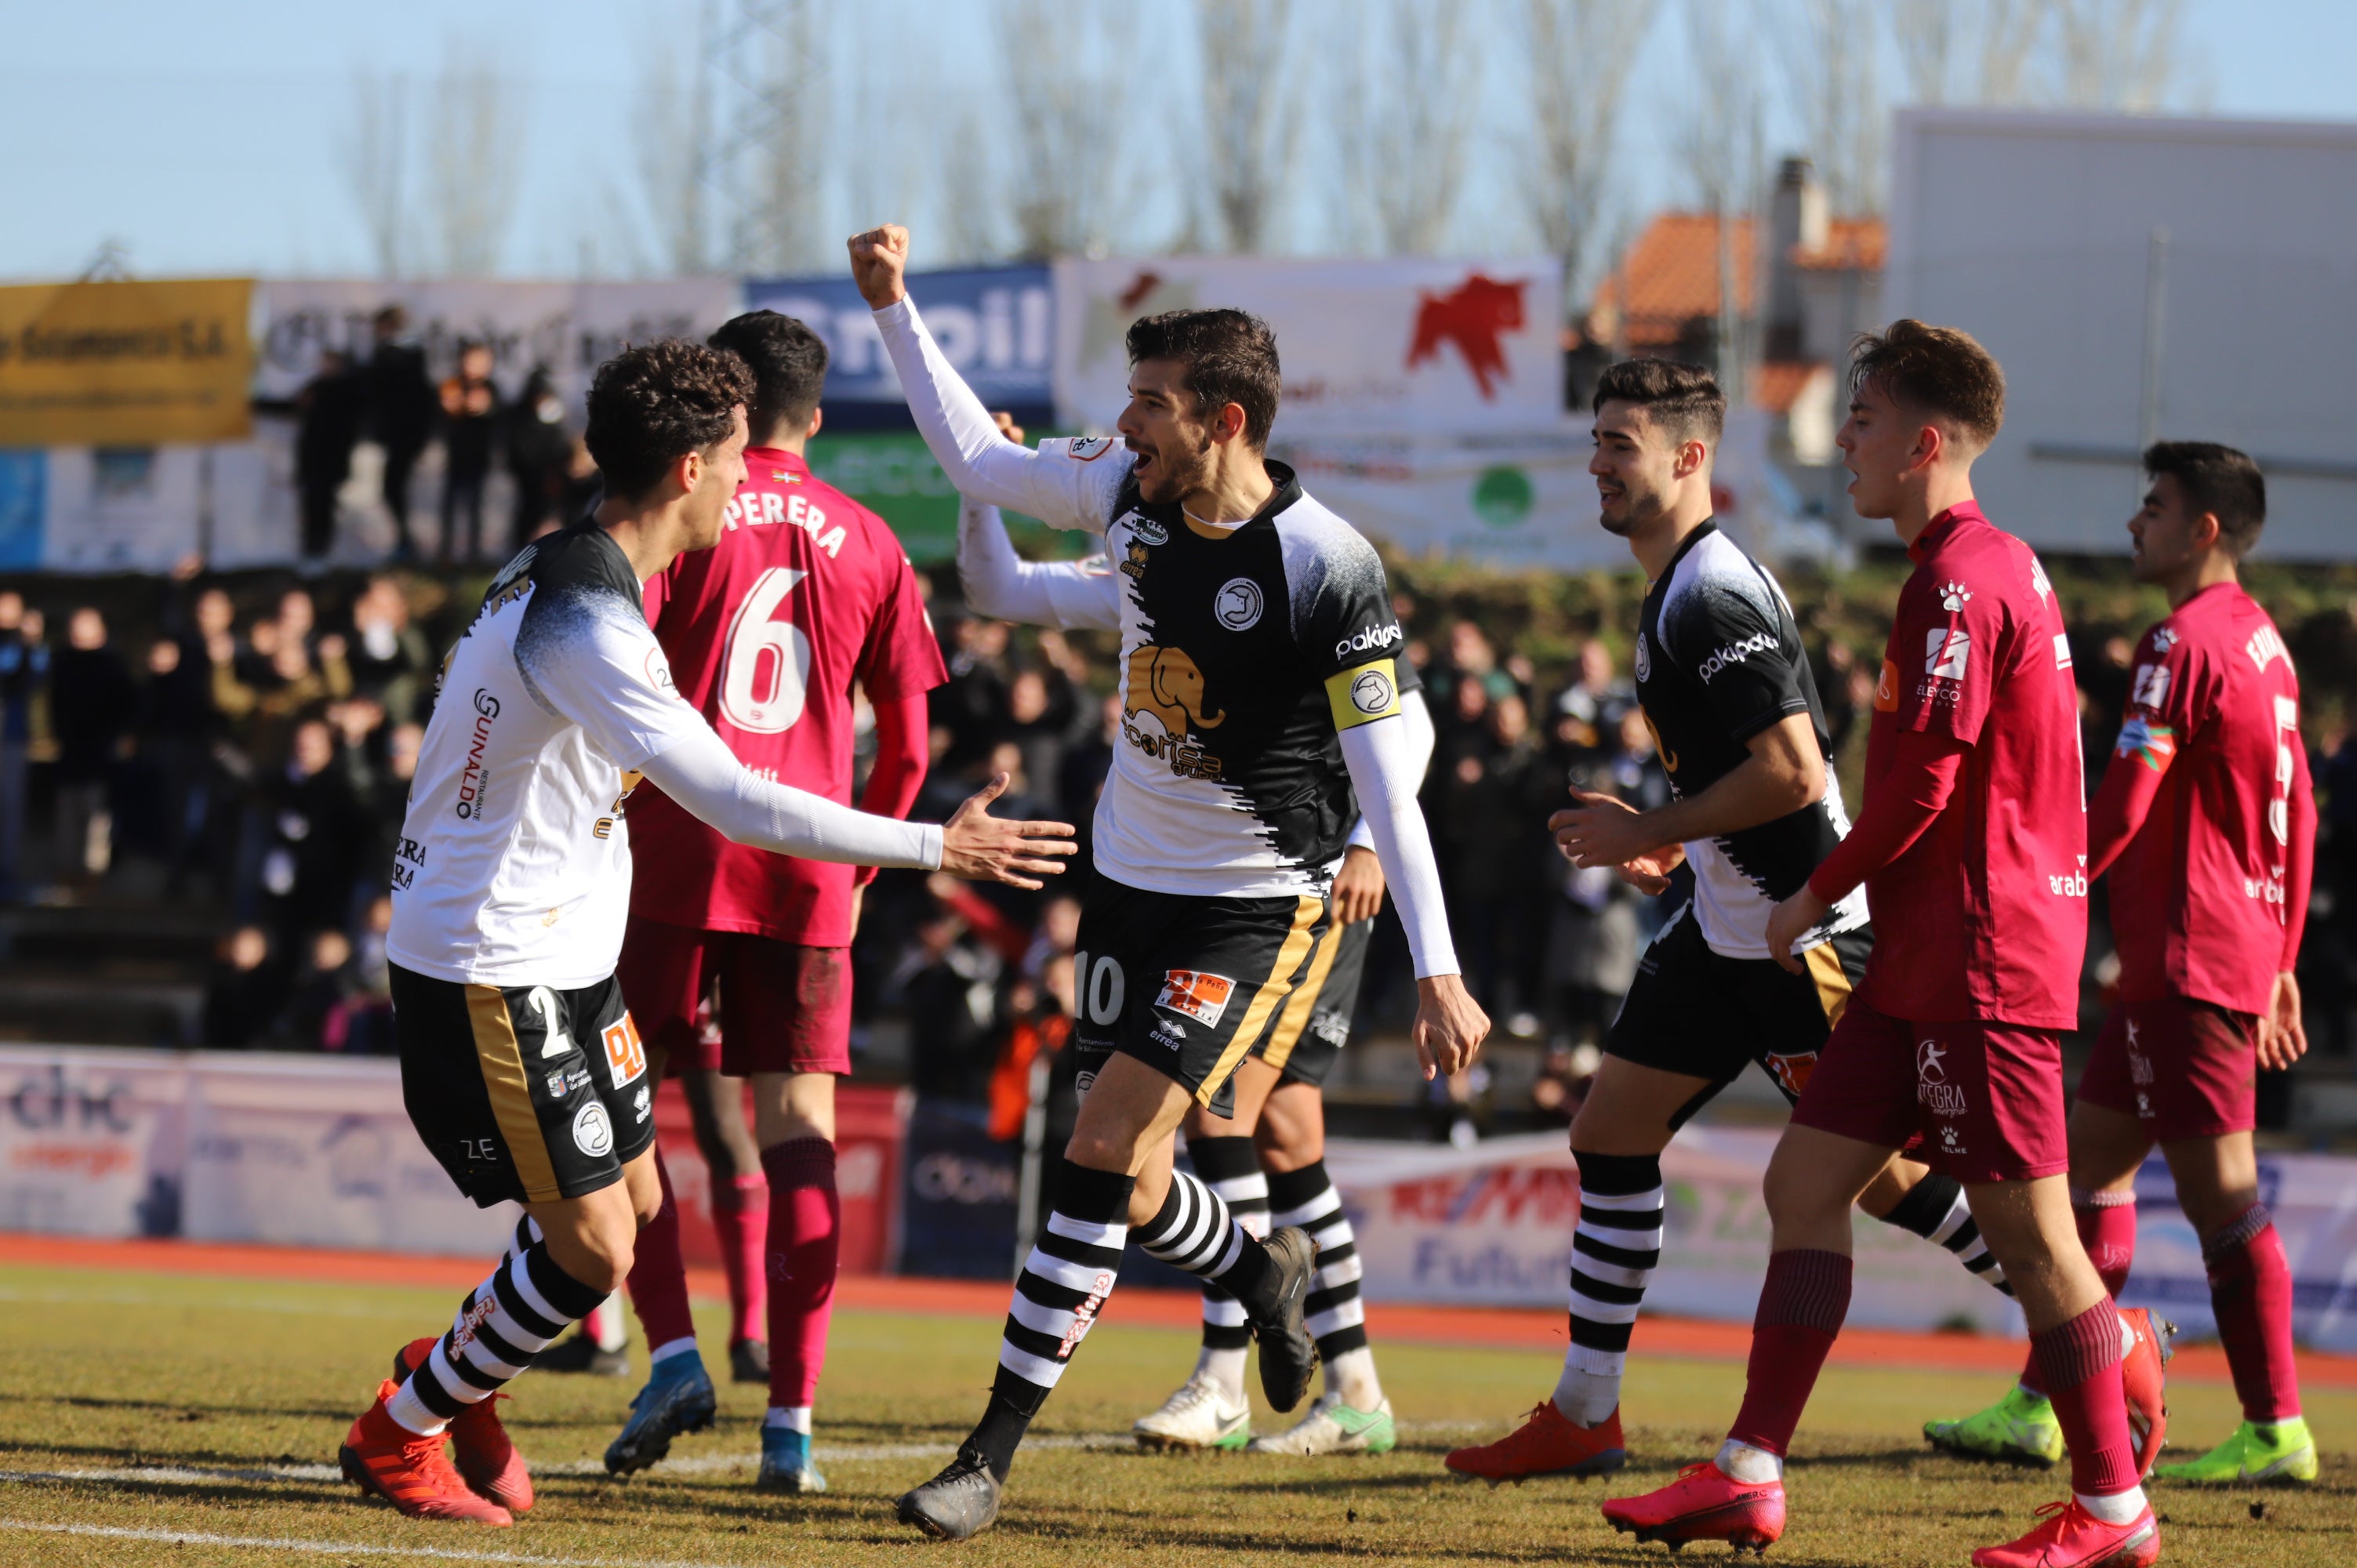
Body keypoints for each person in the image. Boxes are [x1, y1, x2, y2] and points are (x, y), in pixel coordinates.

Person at [333, 336, 1075, 1527]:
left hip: (566, 962)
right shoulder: (590, 626)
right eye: (736, 460)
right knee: (584, 1257)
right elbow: (733, 797)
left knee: (624, 1226)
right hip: (493, 966)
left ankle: (458, 1371)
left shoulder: (570, 567)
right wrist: (941, 845)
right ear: (688, 469)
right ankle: (399, 1428)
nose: (749, 483)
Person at [851, 222, 1486, 1541]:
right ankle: (1259, 1270)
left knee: (1097, 1149)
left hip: (1259, 906)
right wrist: (897, 306)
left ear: (1223, 419)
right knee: (1135, 1181)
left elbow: (1386, 768)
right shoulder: (1126, 496)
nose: (1122, 424)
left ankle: (987, 1458)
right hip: (1126, 887)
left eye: (1148, 405)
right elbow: (979, 465)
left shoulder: (1329, 566)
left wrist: (1436, 967)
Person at [1598, 323, 2168, 1568]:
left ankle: (2115, 1510)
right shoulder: (1974, 570)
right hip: (1926, 958)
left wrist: (1814, 895)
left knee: (2032, 1238)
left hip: (1981, 955)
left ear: (1919, 442)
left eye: (1857, 421)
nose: (1840, 439)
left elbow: (1923, 783)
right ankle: (1747, 1474)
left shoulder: (1958, 580)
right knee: (1804, 1184)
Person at [1444, 358, 2016, 1488]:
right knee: (1609, 1131)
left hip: (1802, 943)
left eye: (1621, 443)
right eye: (1596, 440)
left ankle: (2095, 1330)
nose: (1597, 464)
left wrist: (1647, 826)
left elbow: (1794, 775)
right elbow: (1750, 785)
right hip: (1721, 928)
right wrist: (1681, 847)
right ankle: (1586, 1412)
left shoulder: (1708, 592)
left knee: (1884, 1180)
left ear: (1689, 457)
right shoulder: (1673, 587)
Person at [957, 485, 1436, 1457]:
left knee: (1229, 1116)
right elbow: (1001, 584)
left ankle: (1238, 1375)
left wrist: (1367, 845)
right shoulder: (1152, 565)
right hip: (1183, 893)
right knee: (1263, 1125)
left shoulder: (1303, 571)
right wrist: (981, 488)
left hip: (1293, 892)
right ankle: (1341, 1379)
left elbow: (1409, 726)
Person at [597, 309, 951, 1495]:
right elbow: (907, 748)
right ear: (816, 405)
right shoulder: (874, 540)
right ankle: (790, 1424)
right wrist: (856, 871)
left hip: (668, 864)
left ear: (726, 402)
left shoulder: (681, 513)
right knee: (801, 1133)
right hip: (809, 875)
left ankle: (676, 1354)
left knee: (625, 1113)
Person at [1927, 442, 2318, 1486]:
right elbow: (2301, 816)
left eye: (2151, 508)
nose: (2132, 524)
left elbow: (2123, 803)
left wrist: (2043, 882)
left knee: (2221, 1198)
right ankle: (2040, 1403)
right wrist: (2281, 956)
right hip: (2202, 952)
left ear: (2201, 530)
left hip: (2187, 955)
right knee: (2084, 1175)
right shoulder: (2264, 649)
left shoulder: (2178, 642)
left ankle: (2274, 1425)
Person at [364, 307, 436, 559]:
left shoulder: (400, 358)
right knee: (393, 488)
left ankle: (406, 543)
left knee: (394, 487)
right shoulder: (397, 356)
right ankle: (404, 540)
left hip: (404, 435)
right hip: (400, 435)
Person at [296, 348, 367, 561]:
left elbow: (346, 429)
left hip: (329, 460)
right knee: (311, 506)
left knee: (324, 506)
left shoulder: (346, 391)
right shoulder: (315, 387)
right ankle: (311, 547)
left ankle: (321, 548)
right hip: (312, 459)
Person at [438, 340, 501, 564]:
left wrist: (487, 407)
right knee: (450, 504)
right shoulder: (452, 386)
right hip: (456, 454)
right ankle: (446, 551)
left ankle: (474, 553)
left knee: (476, 505)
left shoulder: (491, 388)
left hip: (479, 455)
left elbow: (498, 414)